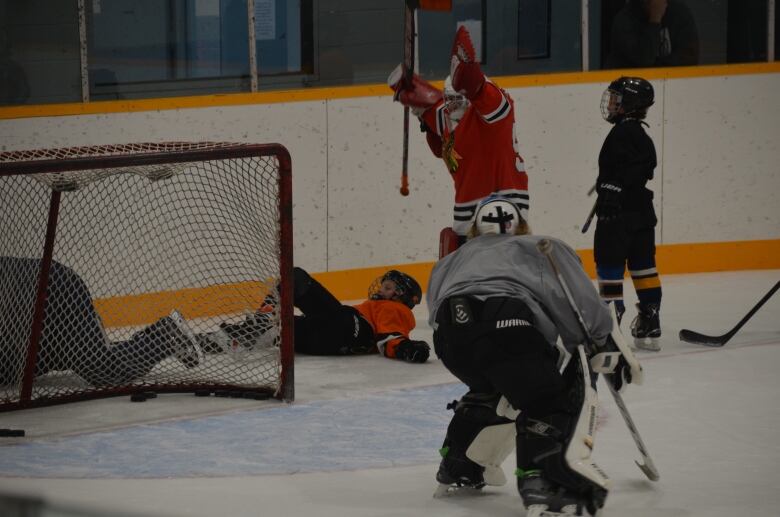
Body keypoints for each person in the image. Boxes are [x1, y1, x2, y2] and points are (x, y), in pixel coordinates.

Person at [426, 195, 642, 516]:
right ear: (522, 226)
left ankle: (461, 463)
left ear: (474, 230)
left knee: (496, 387)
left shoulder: (453, 258)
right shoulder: (540, 246)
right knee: (550, 398)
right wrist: (598, 340)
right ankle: (547, 481)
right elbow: (575, 299)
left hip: (450, 337)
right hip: (507, 323)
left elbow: (433, 306)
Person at [388, 26, 529, 249]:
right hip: (466, 219)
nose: (454, 105)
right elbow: (433, 107)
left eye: (460, 99)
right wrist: (407, 90)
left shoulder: (494, 115)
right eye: (450, 100)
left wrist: (466, 70)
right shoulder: (447, 117)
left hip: (502, 212)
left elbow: (478, 88)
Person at [0, 257, 201, 388]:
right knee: (10, 373)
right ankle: (73, 352)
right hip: (35, 307)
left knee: (105, 370)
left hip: (52, 295)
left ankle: (164, 338)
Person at [202, 267, 431, 363]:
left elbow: (390, 337)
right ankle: (223, 339)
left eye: (389, 288)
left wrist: (406, 349)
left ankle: (258, 324)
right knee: (281, 328)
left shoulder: (396, 309)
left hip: (347, 328)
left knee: (296, 277)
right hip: (328, 343)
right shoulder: (387, 307)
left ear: (401, 297)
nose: (382, 289)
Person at [594, 76, 663, 351]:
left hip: (617, 216)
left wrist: (612, 188)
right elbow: (647, 164)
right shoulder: (640, 134)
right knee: (644, 267)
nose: (611, 104)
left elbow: (623, 170)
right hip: (642, 214)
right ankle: (650, 319)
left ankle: (612, 320)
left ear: (630, 104)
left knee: (609, 266)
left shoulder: (621, 133)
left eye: (616, 99)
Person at [605, 0, 699, 69]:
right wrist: (655, 19)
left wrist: (657, 65)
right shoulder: (625, 20)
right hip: (633, 87)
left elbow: (690, 56)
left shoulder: (679, 13)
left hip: (676, 83)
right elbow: (644, 60)